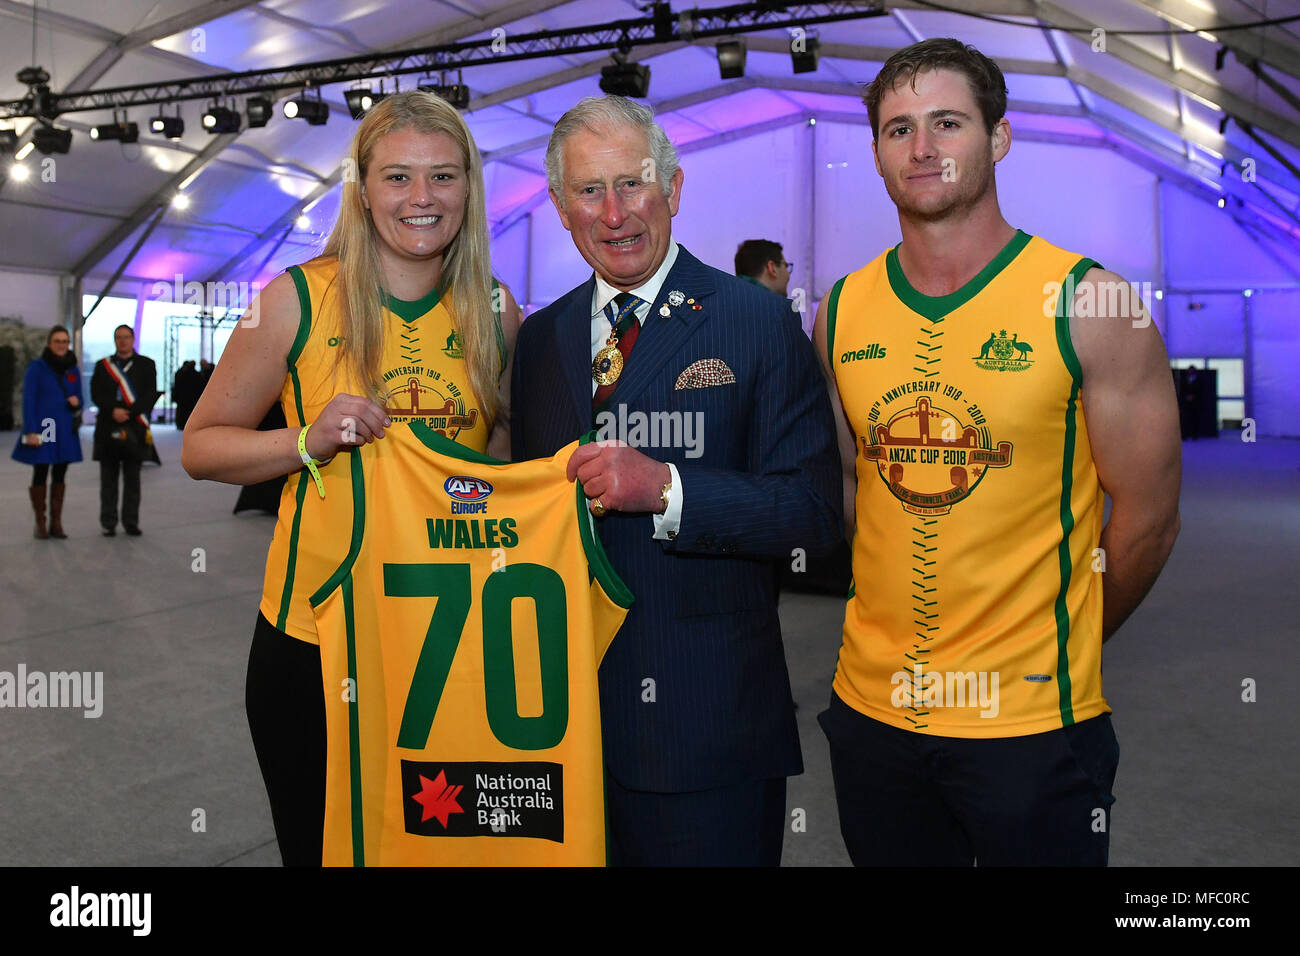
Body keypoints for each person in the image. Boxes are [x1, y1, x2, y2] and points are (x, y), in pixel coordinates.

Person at [813, 38, 1182, 866]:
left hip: (1033, 729)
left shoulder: (1091, 305)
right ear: (874, 151)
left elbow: (1150, 522)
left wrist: (1064, 641)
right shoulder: (838, 312)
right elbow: (850, 487)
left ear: (999, 137)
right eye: (898, 128)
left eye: (947, 122)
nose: (923, 149)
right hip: (873, 716)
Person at [182, 90, 521, 867]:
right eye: (398, 176)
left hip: (446, 642)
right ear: (362, 188)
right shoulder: (296, 299)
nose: (422, 198)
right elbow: (201, 447)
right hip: (314, 645)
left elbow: (500, 468)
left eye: (443, 176)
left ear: (469, 186)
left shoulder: (497, 314)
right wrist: (305, 439)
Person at [512, 95, 841, 866]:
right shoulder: (540, 339)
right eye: (589, 191)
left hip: (705, 732)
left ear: (675, 189)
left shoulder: (755, 321)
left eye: (634, 183)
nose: (615, 212)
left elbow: (815, 512)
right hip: (558, 729)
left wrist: (670, 490)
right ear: (560, 208)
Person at [12, 325, 84, 539]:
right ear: (49, 344)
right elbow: (28, 400)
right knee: (41, 470)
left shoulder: (73, 369)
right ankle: (40, 523)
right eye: (57, 341)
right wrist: (31, 430)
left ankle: (56, 522)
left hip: (65, 428)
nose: (61, 345)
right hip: (44, 428)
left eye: (65, 341)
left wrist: (76, 402)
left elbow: (81, 398)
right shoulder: (37, 367)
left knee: (61, 472)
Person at [91, 324, 157, 536]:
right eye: (118, 337)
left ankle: (131, 522)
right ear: (114, 340)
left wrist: (127, 412)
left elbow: (149, 394)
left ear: (133, 339)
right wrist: (113, 410)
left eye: (126, 337)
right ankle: (108, 523)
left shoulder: (147, 364)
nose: (122, 340)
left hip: (134, 428)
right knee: (108, 479)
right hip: (108, 427)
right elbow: (96, 394)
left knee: (133, 479)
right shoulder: (103, 366)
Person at [172, 359, 202, 429]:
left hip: (182, 397)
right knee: (188, 411)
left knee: (181, 411)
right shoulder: (196, 374)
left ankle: (180, 424)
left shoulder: (179, 373)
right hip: (190, 397)